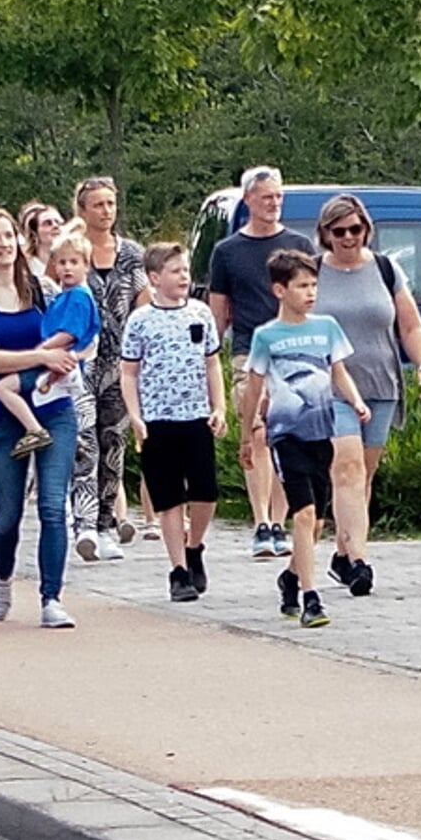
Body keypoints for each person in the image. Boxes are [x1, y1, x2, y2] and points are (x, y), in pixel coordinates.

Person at [0, 208, 82, 628]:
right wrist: (40, 356)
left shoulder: (43, 287)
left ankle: (51, 597)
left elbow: (76, 331)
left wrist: (63, 358)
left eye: (9, 236)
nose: (4, 244)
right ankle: (4, 574)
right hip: (2, 414)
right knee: (6, 516)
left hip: (54, 407)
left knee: (52, 505)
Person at [312, 193, 421, 597]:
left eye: (356, 229)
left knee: (363, 475)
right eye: (339, 231)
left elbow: (411, 325)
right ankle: (360, 562)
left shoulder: (385, 268)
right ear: (325, 234)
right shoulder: (313, 271)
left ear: (367, 229)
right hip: (328, 386)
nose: (348, 237)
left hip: (380, 382)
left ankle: (343, 551)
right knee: (345, 467)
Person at [240, 249, 365, 629]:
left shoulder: (326, 327)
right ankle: (312, 598)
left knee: (315, 524)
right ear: (280, 290)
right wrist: (248, 435)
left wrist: (356, 400)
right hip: (286, 434)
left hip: (321, 431)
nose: (310, 293)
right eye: (301, 286)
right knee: (303, 513)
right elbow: (254, 388)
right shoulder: (267, 336)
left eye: (314, 285)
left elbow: (338, 370)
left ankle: (291, 577)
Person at [208, 166, 316, 558]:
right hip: (249, 351)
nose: (273, 203)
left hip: (295, 349)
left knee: (286, 433)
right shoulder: (228, 252)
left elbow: (311, 294)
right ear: (249, 200)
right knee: (256, 430)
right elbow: (217, 308)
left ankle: (281, 519)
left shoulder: (298, 244)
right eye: (266, 196)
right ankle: (261, 522)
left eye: (278, 197)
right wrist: (209, 354)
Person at [121, 242, 225, 602]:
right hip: (158, 419)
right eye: (175, 271)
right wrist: (135, 415)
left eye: (185, 270)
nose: (184, 277)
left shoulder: (199, 313)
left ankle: (195, 545)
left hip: (195, 414)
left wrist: (219, 407)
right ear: (154, 278)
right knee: (169, 498)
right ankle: (178, 569)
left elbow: (212, 363)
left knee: (205, 491)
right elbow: (129, 372)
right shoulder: (140, 320)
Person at [73, 178, 152, 554]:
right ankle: (84, 522)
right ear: (83, 209)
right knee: (84, 441)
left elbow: (142, 303)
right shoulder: (73, 251)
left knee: (113, 442)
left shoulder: (131, 254)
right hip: (81, 363)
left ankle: (107, 520)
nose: (106, 211)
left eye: (110, 203)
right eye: (98, 204)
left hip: (120, 364)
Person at [0, 229, 99, 458]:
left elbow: (69, 334)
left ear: (86, 265)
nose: (67, 268)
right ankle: (62, 436)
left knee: (3, 387)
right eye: (62, 262)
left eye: (74, 262)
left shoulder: (79, 296)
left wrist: (39, 352)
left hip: (59, 363)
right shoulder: (64, 294)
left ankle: (35, 431)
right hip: (54, 362)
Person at [20, 202, 63, 278]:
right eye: (47, 223)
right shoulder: (26, 267)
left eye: (58, 222)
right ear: (35, 233)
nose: (55, 226)